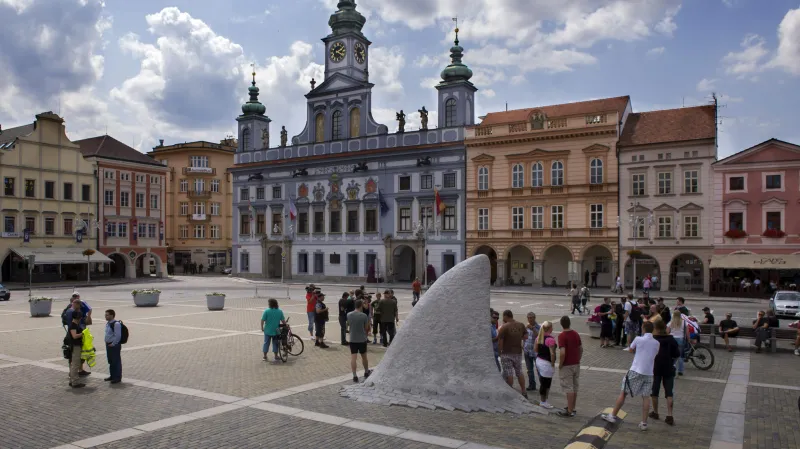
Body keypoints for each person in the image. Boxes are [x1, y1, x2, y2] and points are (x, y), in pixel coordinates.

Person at [602, 321, 661, 431]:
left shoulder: (638, 339)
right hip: (649, 373)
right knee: (646, 397)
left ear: (643, 328)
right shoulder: (657, 343)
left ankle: (613, 415)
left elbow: (630, 350)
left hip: (636, 370)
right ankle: (644, 423)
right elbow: (655, 354)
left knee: (624, 392)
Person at [650, 319, 680, 425]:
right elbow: (677, 354)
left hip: (656, 368)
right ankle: (670, 415)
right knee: (669, 392)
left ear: (656, 329)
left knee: (654, 391)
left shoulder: (653, 339)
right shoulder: (671, 339)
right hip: (668, 368)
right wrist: (672, 363)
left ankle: (655, 412)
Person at [498, 310, 528, 397]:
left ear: (505, 316)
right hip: (518, 352)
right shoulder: (521, 325)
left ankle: (510, 391)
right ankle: (523, 391)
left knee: (509, 373)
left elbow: (500, 342)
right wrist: (518, 337)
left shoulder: (504, 327)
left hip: (507, 352)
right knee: (519, 372)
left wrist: (500, 352)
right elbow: (526, 336)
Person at [557, 316, 582, 417]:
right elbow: (581, 349)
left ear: (561, 324)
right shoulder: (575, 333)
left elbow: (563, 352)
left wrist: (560, 364)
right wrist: (578, 359)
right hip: (576, 363)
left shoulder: (562, 336)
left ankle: (569, 410)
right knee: (575, 386)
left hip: (567, 365)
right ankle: (573, 407)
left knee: (569, 388)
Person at [348, 299, 372, 382]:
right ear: (361, 306)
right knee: (364, 357)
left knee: (353, 358)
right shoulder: (364, 316)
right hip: (362, 339)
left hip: (352, 339)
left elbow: (348, 325)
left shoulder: (349, 314)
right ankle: (366, 371)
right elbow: (366, 328)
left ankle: (354, 375)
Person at [535, 321, 557, 409]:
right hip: (546, 363)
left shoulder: (538, 337)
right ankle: (543, 401)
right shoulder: (550, 339)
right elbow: (552, 354)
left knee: (543, 381)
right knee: (546, 383)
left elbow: (535, 349)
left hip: (539, 360)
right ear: (549, 328)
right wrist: (552, 363)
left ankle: (543, 400)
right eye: (552, 327)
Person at [261, 298, 286, 363]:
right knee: (275, 343)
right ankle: (276, 356)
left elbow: (262, 320)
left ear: (270, 304)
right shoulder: (279, 311)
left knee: (266, 343)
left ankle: (265, 356)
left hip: (267, 330)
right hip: (276, 331)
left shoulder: (266, 311)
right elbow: (283, 321)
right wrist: (285, 325)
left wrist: (262, 328)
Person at [104, 309, 123, 384]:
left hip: (114, 345)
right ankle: (112, 375)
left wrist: (113, 343)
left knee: (116, 361)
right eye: (105, 315)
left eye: (107, 315)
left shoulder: (116, 324)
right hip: (108, 344)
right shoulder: (108, 323)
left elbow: (118, 336)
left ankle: (117, 377)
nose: (105, 316)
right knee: (111, 361)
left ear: (112, 315)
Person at [67, 311, 85, 388]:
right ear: (78, 318)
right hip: (75, 346)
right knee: (75, 364)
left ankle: (72, 380)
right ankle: (75, 382)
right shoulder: (73, 326)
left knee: (74, 364)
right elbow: (74, 336)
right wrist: (83, 333)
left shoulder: (75, 325)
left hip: (76, 346)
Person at [523, 312, 540, 392]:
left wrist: (533, 329)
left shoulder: (538, 327)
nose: (530, 319)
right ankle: (532, 385)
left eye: (531, 318)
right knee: (529, 370)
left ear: (534, 318)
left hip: (535, 352)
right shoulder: (526, 327)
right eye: (528, 318)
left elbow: (539, 337)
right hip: (527, 351)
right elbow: (524, 337)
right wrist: (523, 345)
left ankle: (542, 386)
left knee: (539, 369)